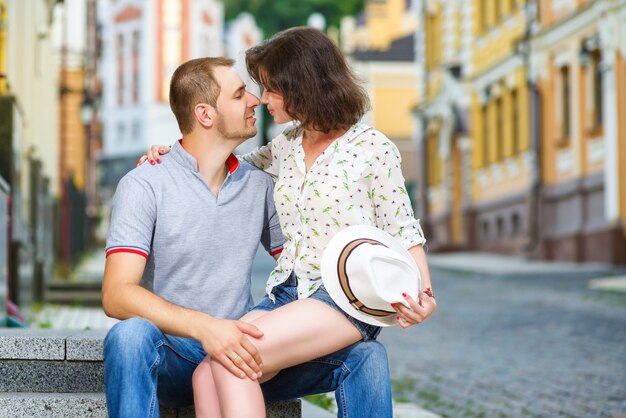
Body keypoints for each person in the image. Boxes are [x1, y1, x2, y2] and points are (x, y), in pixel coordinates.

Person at [141, 27, 437, 418]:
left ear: (300, 85)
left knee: (234, 361)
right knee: (206, 372)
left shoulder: (373, 148)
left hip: (342, 296)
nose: (261, 100)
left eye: (269, 88)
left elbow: (402, 227)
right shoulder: (286, 146)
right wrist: (172, 155)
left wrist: (425, 297)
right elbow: (221, 166)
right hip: (286, 293)